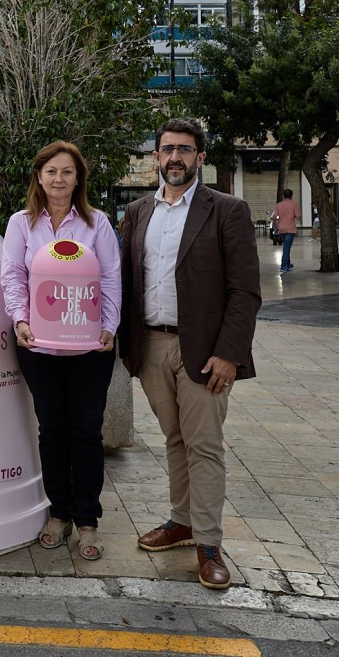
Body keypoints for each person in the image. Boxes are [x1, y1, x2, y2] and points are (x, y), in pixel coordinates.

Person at [119, 118, 261, 590]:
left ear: (200, 157)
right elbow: (125, 282)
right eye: (167, 149)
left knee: (204, 446)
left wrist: (230, 355)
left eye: (184, 149)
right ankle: (181, 522)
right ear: (155, 158)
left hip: (204, 352)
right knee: (175, 440)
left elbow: (245, 291)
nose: (175, 157)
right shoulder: (138, 212)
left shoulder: (227, 210)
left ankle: (209, 545)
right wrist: (124, 346)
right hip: (152, 345)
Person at [1, 141, 121, 561]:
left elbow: (110, 278)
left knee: (87, 433)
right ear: (39, 176)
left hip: (90, 349)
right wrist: (20, 319)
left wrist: (109, 327)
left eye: (67, 172)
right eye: (51, 171)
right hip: (40, 349)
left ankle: (87, 521)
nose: (58, 179)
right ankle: (59, 513)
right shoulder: (21, 224)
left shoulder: (97, 223)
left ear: (78, 179)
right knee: (52, 432)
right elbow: (12, 276)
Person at [270, 189, 302, 273]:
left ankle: (288, 263)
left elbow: (274, 217)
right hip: (290, 229)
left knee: (286, 246)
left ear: (284, 196)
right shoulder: (294, 205)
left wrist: (278, 222)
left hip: (281, 229)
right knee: (287, 247)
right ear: (291, 196)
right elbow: (298, 217)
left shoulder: (278, 205)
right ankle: (284, 266)